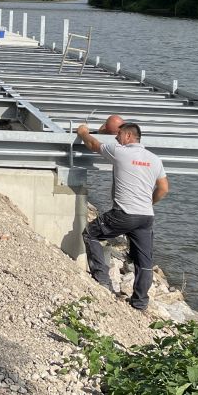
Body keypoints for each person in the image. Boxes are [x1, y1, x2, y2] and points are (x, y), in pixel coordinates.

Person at [76, 121, 168, 311]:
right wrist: (148, 203)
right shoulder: (154, 159)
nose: (116, 138)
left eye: (118, 135)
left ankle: (102, 280)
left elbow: (93, 144)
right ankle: (140, 303)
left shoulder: (119, 151)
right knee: (145, 262)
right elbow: (164, 189)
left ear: (128, 136)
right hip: (146, 217)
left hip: (124, 214)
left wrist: (83, 132)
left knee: (90, 233)